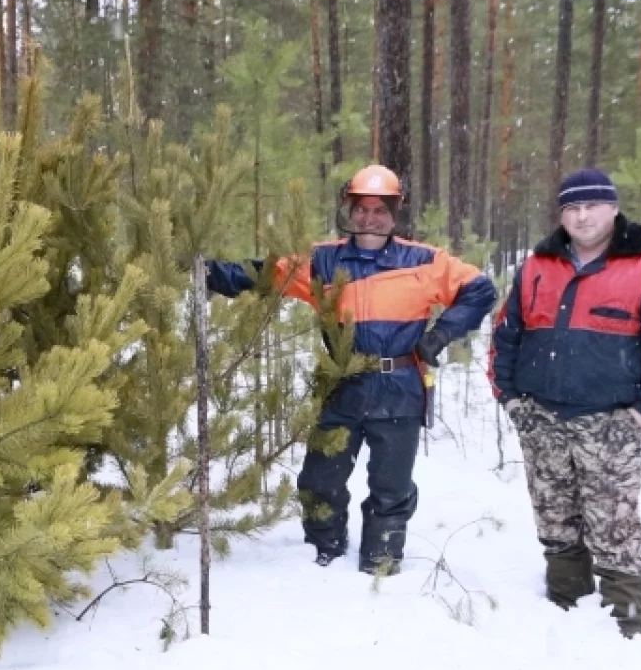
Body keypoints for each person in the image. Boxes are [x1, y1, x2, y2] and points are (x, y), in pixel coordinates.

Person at [207, 165, 497, 573]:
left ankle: (381, 562)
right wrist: (208, 272)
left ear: (396, 211)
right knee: (319, 480)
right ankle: (323, 555)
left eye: (380, 208)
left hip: (400, 386)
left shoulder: (424, 261)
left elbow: (481, 289)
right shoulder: (323, 260)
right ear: (349, 209)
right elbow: (263, 273)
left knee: (390, 486)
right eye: (361, 208)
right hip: (342, 384)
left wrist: (440, 334)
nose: (370, 217)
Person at [488, 168, 641, 638]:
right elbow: (506, 335)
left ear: (613, 209)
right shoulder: (538, 264)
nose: (582, 217)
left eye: (591, 207)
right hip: (541, 415)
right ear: (562, 214)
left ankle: (626, 613)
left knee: (613, 519)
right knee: (553, 512)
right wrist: (511, 399)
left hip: (610, 420)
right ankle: (565, 596)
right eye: (572, 208)